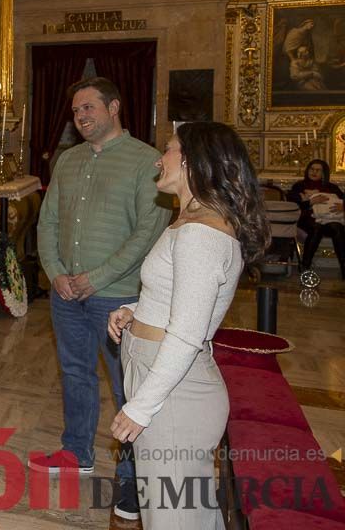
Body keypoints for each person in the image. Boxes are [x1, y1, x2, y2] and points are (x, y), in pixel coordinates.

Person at [108, 121, 268, 529]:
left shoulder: (201, 233)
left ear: (195, 161)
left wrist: (141, 407)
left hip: (173, 393)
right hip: (164, 378)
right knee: (184, 516)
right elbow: (180, 300)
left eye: (169, 149)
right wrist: (135, 310)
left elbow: (186, 333)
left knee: (174, 520)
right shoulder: (190, 222)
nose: (159, 160)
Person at [32, 76, 171, 522]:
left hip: (118, 297)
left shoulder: (147, 162)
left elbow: (145, 235)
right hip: (66, 294)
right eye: (76, 111)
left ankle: (132, 479)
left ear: (114, 107)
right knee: (75, 374)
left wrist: (95, 278)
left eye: (89, 107)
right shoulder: (67, 161)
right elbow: (47, 222)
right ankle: (76, 452)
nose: (81, 117)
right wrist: (55, 273)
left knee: (128, 387)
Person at [289, 158, 345, 276]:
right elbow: (292, 203)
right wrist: (311, 202)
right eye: (312, 169)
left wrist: (342, 207)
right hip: (306, 220)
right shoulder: (299, 186)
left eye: (318, 170)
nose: (314, 172)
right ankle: (305, 267)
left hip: (329, 219)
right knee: (316, 227)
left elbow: (342, 199)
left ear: (324, 173)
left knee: (337, 227)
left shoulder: (332, 187)